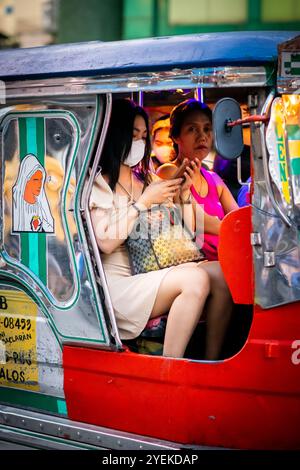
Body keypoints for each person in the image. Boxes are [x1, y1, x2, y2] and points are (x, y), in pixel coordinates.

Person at [90, 99, 227, 360]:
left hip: (154, 270)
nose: (140, 143)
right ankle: (170, 367)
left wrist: (184, 196)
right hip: (119, 286)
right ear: (116, 136)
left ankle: (212, 361)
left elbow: (189, 231)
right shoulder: (98, 184)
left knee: (221, 272)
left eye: (144, 136)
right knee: (194, 279)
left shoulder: (147, 177)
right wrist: (142, 204)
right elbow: (105, 243)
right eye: (133, 136)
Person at [170, 99, 239, 261]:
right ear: (175, 137)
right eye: (192, 129)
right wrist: (235, 230)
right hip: (197, 264)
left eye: (207, 129)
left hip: (228, 257)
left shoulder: (214, 179)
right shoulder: (169, 172)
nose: (202, 137)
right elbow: (200, 222)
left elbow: (238, 219)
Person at [12, 153, 54, 233]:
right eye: (35, 180)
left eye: (41, 180)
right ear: (25, 179)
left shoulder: (41, 206)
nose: (39, 184)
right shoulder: (14, 200)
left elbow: (50, 227)